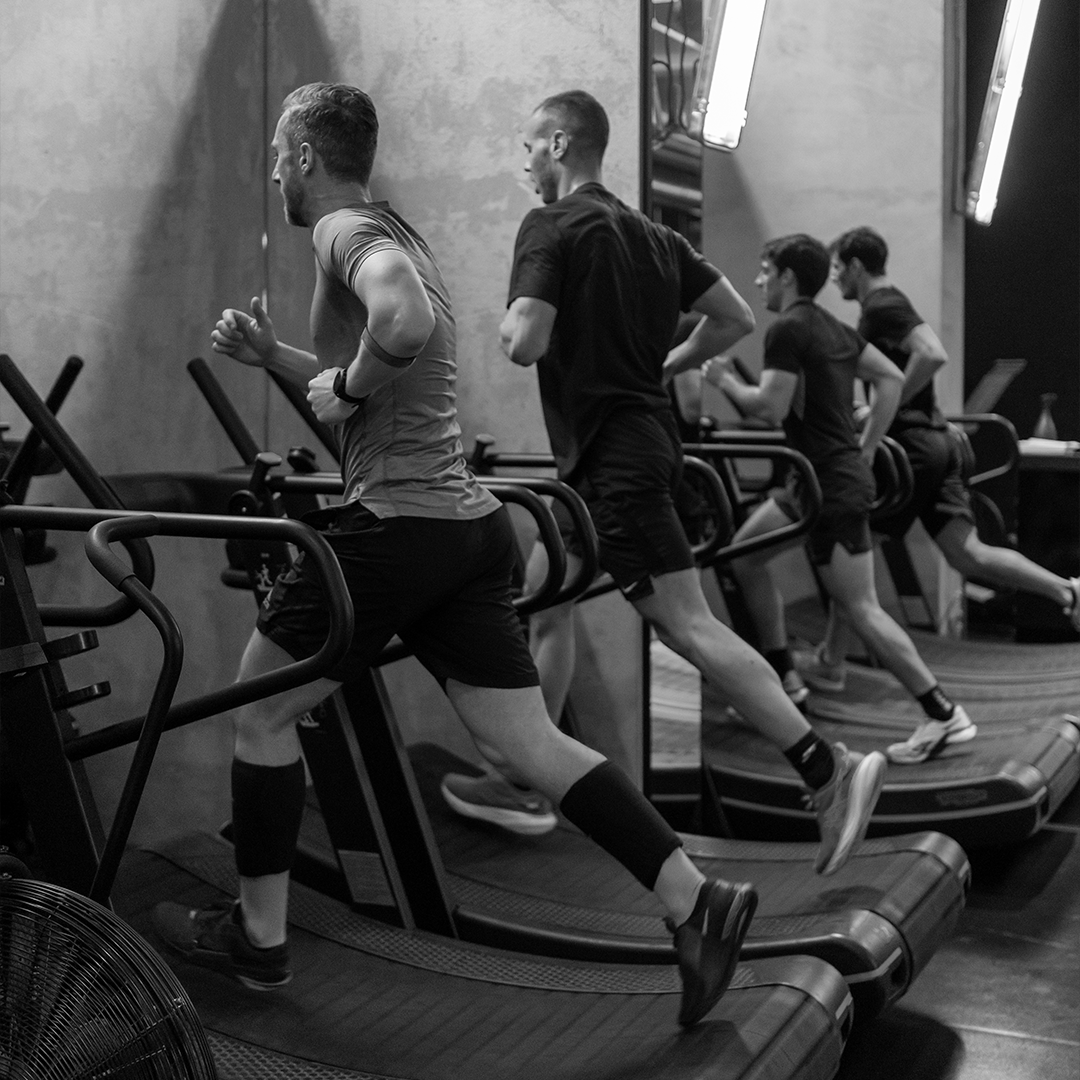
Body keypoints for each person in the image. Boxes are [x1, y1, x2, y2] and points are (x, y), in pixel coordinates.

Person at [150, 82, 765, 1028]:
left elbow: (399, 328)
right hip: (466, 529)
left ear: (306, 156)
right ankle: (696, 900)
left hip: (394, 527)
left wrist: (349, 388)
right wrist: (278, 358)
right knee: (527, 742)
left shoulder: (342, 230)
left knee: (261, 714)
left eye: (277, 156)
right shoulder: (397, 230)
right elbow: (380, 368)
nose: (273, 173)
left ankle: (258, 940)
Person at [441, 90, 886, 879]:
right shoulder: (654, 235)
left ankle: (827, 768)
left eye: (530, 146)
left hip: (615, 462)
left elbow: (524, 341)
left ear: (561, 143)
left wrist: (507, 322)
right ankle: (525, 778)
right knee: (543, 600)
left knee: (687, 624)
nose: (525, 163)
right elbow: (734, 317)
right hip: (616, 456)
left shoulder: (550, 224)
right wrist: (666, 362)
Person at [706, 233, 975, 765]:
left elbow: (769, 407)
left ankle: (944, 714)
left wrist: (725, 382)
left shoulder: (787, 328)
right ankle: (786, 678)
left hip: (827, 485)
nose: (758, 281)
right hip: (814, 481)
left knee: (861, 607)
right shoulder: (834, 327)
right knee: (742, 556)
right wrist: (865, 448)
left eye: (764, 271)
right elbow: (891, 378)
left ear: (786, 276)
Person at [807, 225, 1080, 672]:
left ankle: (832, 663)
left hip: (913, 449)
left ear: (856, 266)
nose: (833, 277)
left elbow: (932, 353)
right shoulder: (884, 306)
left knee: (850, 551)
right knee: (966, 553)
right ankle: (1068, 590)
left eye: (837, 268)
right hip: (937, 443)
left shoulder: (882, 305)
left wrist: (886, 406)